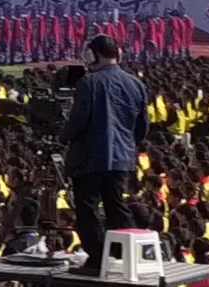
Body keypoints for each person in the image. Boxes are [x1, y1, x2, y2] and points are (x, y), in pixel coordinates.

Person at [62, 34, 146, 273]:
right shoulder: (136, 84)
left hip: (89, 157)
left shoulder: (88, 83)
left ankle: (98, 260)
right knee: (117, 206)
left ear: (92, 55)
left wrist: (63, 136)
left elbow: (78, 121)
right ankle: (129, 256)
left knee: (88, 209)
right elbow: (142, 126)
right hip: (122, 157)